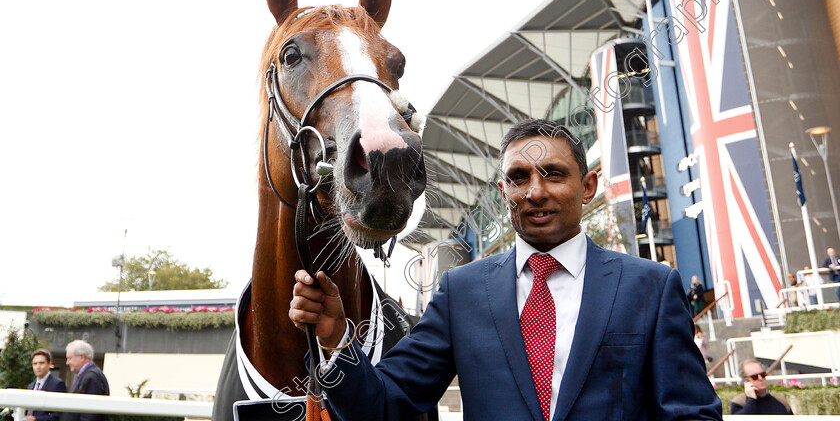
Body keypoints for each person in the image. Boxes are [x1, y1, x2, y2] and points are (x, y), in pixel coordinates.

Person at [290, 119, 722, 421]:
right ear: (503, 192)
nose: (535, 192)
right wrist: (334, 339)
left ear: (587, 186)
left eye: (553, 174)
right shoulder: (461, 294)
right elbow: (386, 406)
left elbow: (692, 414)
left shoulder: (651, 287)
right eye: (518, 178)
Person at [60, 340, 110, 421]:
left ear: (82, 357)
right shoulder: (89, 375)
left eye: (70, 358)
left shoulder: (91, 377)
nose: (67, 362)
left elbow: (90, 413)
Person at [25, 349, 67, 421]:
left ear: (49, 364)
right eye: (35, 364)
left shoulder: (58, 384)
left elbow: (59, 414)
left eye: (41, 363)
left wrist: (36, 419)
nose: (38, 367)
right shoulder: (30, 386)